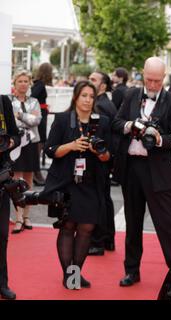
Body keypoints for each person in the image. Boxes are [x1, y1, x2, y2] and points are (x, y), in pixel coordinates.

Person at [112, 57, 171, 287]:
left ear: (163, 78)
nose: (152, 85)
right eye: (148, 79)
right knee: (132, 224)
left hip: (160, 171)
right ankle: (131, 270)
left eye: (156, 80)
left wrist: (158, 138)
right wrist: (129, 126)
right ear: (142, 75)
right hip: (132, 168)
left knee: (167, 226)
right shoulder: (131, 95)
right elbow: (116, 122)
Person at [42, 80, 111, 289]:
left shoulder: (103, 122)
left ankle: (76, 272)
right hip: (65, 182)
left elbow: (109, 157)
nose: (88, 100)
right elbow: (50, 150)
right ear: (75, 97)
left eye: (91, 96)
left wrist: (98, 152)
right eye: (84, 96)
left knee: (87, 227)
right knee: (67, 226)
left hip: (90, 183)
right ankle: (69, 276)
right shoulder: (63, 120)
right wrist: (72, 146)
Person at [87, 71, 117, 255]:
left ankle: (99, 240)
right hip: (105, 158)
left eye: (93, 80)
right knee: (104, 198)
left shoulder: (101, 106)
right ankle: (107, 240)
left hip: (101, 158)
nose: (89, 82)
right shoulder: (105, 103)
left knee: (100, 199)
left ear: (103, 86)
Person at [9, 70, 42, 233]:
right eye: (20, 81)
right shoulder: (8, 101)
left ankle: (27, 216)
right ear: (14, 84)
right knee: (16, 180)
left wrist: (20, 115)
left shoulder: (34, 101)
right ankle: (18, 217)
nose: (23, 84)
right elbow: (11, 122)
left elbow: (36, 120)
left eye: (26, 81)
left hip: (31, 143)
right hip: (15, 143)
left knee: (29, 180)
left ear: (29, 83)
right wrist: (26, 118)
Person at [0, 95, 21, 299]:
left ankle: (2, 283)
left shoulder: (3, 102)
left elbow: (16, 136)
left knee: (2, 235)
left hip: (1, 178)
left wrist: (8, 143)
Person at [31, 62, 53, 186]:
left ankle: (36, 173)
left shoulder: (38, 84)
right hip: (40, 119)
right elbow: (33, 99)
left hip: (40, 116)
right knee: (39, 144)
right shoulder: (39, 85)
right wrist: (41, 108)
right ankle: (36, 173)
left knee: (40, 144)